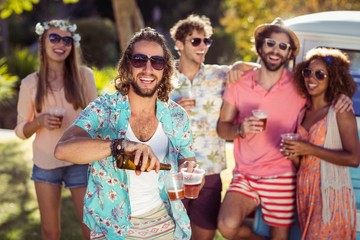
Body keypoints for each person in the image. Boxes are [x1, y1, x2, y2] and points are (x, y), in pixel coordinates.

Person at [54, 27, 197, 240]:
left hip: (162, 221)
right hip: (111, 226)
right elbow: (62, 150)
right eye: (139, 60)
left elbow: (189, 160)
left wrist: (189, 169)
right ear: (127, 65)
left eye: (157, 62)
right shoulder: (104, 109)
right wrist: (119, 146)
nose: (148, 69)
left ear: (164, 69)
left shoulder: (176, 116)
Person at [216, 18, 352, 240]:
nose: (275, 50)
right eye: (270, 43)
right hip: (246, 174)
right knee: (226, 225)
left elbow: (324, 88)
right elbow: (222, 128)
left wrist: (342, 97)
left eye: (283, 46)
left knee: (281, 235)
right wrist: (240, 128)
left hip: (282, 174)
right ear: (260, 46)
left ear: (290, 54)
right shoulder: (238, 82)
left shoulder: (299, 86)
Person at [169, 14, 258, 240]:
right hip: (171, 168)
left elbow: (263, 68)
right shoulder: (163, 77)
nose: (202, 46)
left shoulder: (219, 74)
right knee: (170, 233)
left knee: (205, 234)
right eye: (195, 41)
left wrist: (240, 64)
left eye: (206, 41)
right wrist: (171, 110)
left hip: (209, 168)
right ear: (179, 44)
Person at [14, 20, 97, 239]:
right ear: (43, 42)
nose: (61, 44)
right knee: (51, 231)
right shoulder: (30, 83)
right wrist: (39, 121)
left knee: (92, 228)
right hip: (45, 163)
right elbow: (20, 131)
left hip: (80, 160)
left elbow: (97, 120)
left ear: (72, 45)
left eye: (67, 40)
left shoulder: (85, 76)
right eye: (54, 38)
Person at [281, 47, 359, 239]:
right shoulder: (302, 112)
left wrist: (309, 148)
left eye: (320, 74)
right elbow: (303, 162)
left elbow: (354, 159)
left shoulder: (339, 110)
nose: (311, 78)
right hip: (305, 190)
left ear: (333, 78)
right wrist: (294, 155)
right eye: (308, 72)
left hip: (331, 192)